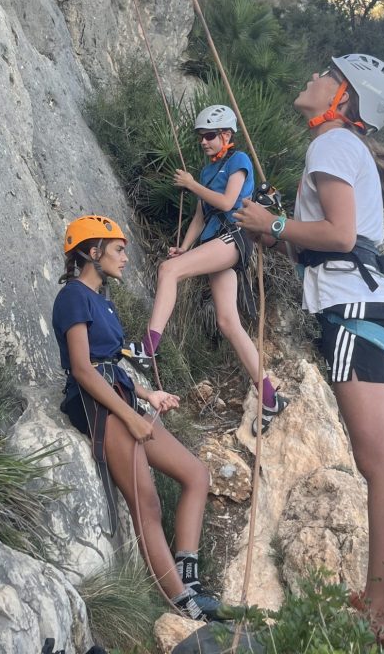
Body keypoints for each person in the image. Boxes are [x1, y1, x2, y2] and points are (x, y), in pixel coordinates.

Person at [234, 54, 384, 644]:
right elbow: (329, 246)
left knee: (379, 465)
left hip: (352, 310)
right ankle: (381, 605)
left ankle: (380, 613)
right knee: (383, 463)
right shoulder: (342, 148)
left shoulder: (332, 145)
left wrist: (275, 226)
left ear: (344, 98)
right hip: (365, 304)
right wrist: (275, 230)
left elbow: (336, 236)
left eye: (326, 74)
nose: (312, 75)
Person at [52, 215, 238, 621]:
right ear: (92, 252)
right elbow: (83, 369)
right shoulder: (73, 297)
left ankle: (188, 576)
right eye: (118, 250)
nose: (125, 258)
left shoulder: (104, 302)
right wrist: (129, 417)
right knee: (147, 503)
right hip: (95, 405)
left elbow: (110, 365)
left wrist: (147, 394)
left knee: (196, 474)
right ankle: (183, 603)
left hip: (117, 395)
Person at [131, 105, 287, 435]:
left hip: (234, 237)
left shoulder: (238, 161)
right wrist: (186, 246)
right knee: (228, 322)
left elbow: (229, 202)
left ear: (226, 136)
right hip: (218, 240)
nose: (204, 142)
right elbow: (201, 215)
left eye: (210, 136)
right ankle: (270, 396)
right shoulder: (205, 173)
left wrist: (190, 184)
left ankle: (147, 348)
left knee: (168, 271)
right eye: (201, 137)